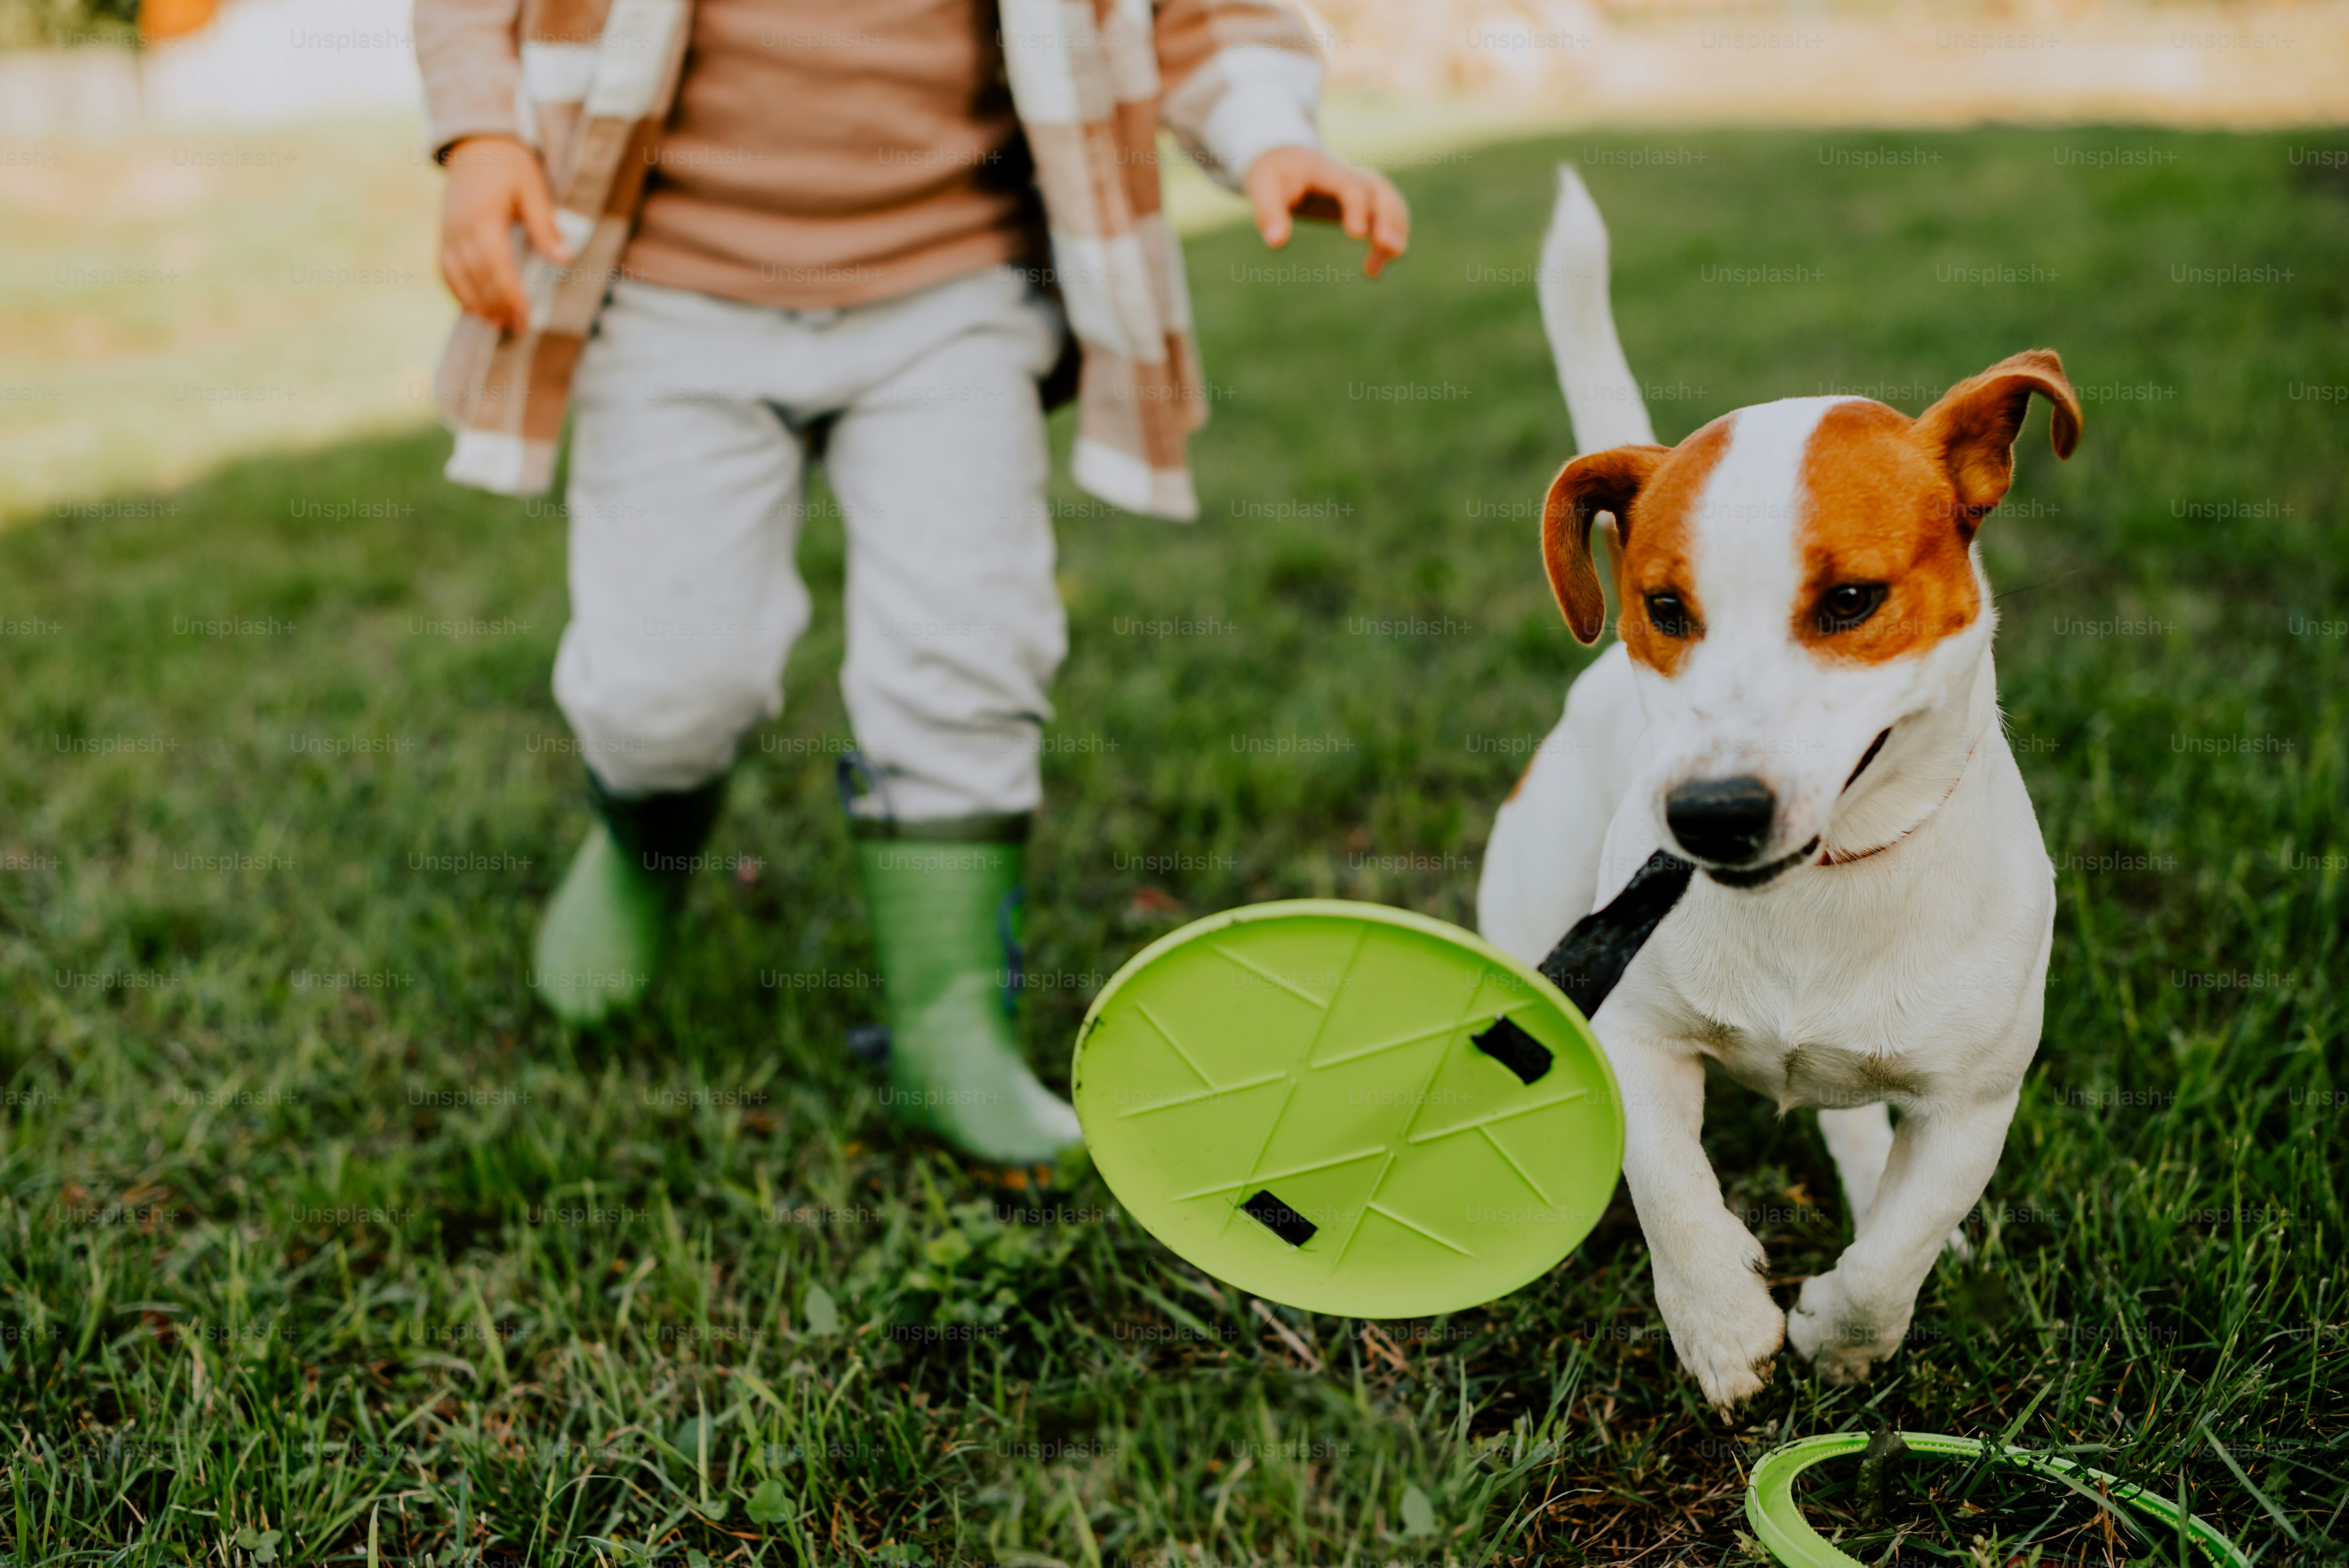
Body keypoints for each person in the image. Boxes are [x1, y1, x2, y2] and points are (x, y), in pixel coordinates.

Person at [413, 0, 1409, 1167]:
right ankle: (646, 844)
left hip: (952, 295)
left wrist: (1268, 132)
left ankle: (950, 1029)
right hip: (669, 295)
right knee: (666, 685)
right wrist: (483, 139)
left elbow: (1199, 15)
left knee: (968, 646)